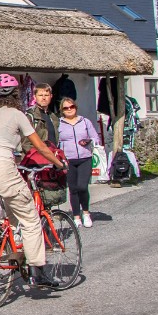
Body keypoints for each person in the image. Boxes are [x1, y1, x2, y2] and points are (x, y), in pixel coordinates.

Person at [0, 74, 65, 297]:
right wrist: (58, 163)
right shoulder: (17, 114)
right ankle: (38, 271)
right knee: (30, 218)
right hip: (2, 169)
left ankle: (9, 247)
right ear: (15, 95)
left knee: (12, 209)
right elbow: (40, 147)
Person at [55, 98, 101, 229]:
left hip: (85, 158)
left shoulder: (85, 122)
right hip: (68, 160)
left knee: (82, 186)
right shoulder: (59, 124)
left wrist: (89, 141)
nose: (69, 109)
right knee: (73, 189)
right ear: (62, 110)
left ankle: (86, 213)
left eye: (72, 106)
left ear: (76, 107)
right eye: (66, 108)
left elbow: (95, 138)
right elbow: (56, 142)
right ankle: (76, 216)